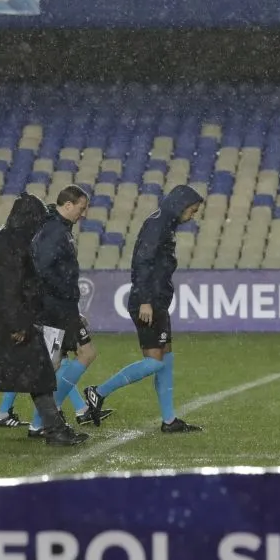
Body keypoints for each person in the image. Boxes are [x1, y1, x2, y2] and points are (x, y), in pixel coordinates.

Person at [0, 192, 89, 447]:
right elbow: (12, 288)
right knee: (40, 375)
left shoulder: (5, 239)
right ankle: (54, 430)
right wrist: (19, 324)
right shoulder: (15, 243)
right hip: (14, 324)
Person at [83, 185, 204, 433]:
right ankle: (98, 391)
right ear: (181, 205)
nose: (193, 215)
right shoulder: (157, 225)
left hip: (158, 300)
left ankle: (169, 421)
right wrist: (146, 300)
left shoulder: (165, 224)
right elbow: (142, 262)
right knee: (155, 362)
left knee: (166, 359)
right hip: (147, 302)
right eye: (192, 210)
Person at [25, 184, 114, 437]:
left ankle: (40, 422)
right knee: (56, 365)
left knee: (75, 357)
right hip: (54, 309)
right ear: (68, 205)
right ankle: (43, 420)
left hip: (64, 307)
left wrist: (72, 305)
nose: (83, 214)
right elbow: (41, 270)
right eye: (81, 208)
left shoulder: (61, 229)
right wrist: (63, 298)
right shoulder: (53, 231)